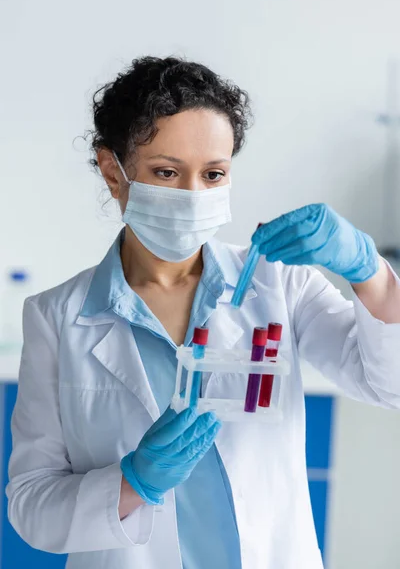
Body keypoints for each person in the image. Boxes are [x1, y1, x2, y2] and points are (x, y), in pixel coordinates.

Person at [6, 56, 400, 569]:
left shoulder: (280, 284)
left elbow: (390, 385)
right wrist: (132, 481)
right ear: (112, 170)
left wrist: (370, 273)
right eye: (166, 172)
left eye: (213, 174)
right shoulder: (56, 317)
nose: (193, 195)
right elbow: (32, 507)